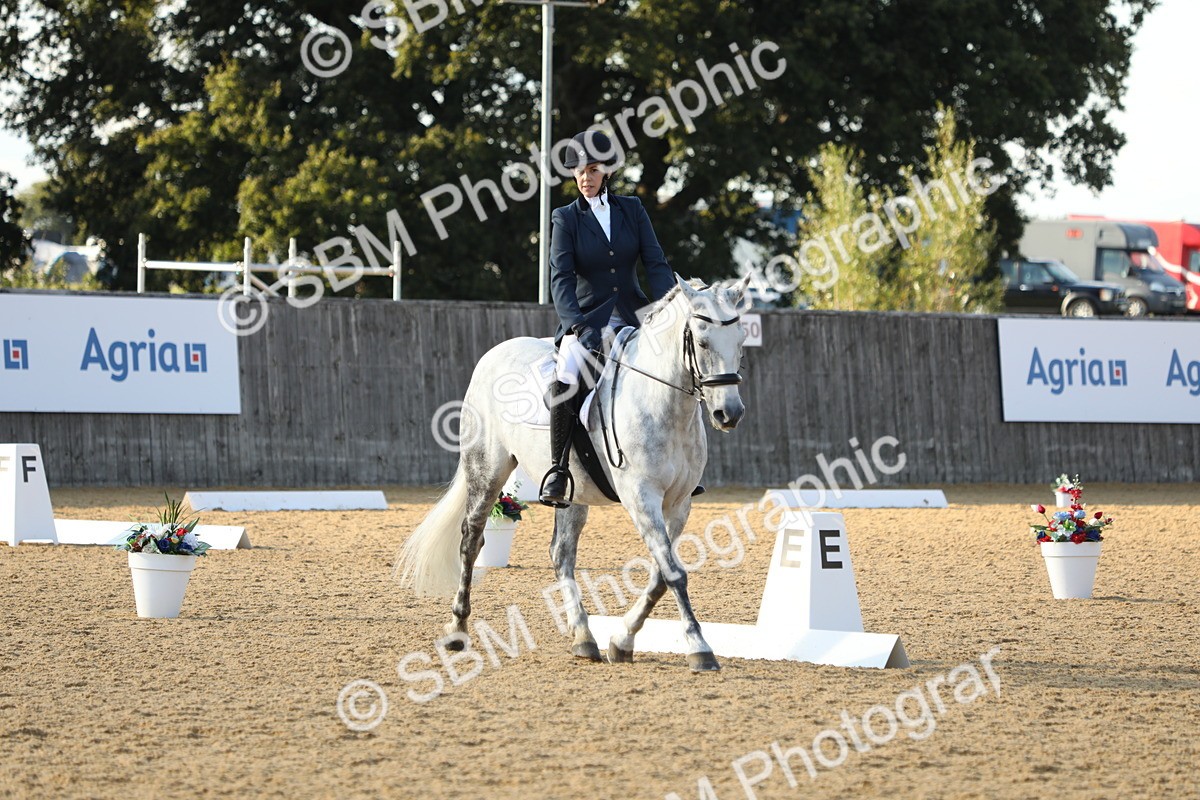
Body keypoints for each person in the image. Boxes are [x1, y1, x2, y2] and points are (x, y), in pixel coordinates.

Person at [538, 129, 679, 507]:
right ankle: (558, 469)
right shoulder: (565, 218)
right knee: (567, 374)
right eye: (579, 171)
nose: (585, 178)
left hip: (635, 314)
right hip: (588, 319)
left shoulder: (632, 209)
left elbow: (655, 262)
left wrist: (665, 306)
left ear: (607, 172)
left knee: (677, 369)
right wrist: (577, 324)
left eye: (593, 170)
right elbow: (561, 277)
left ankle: (680, 466)